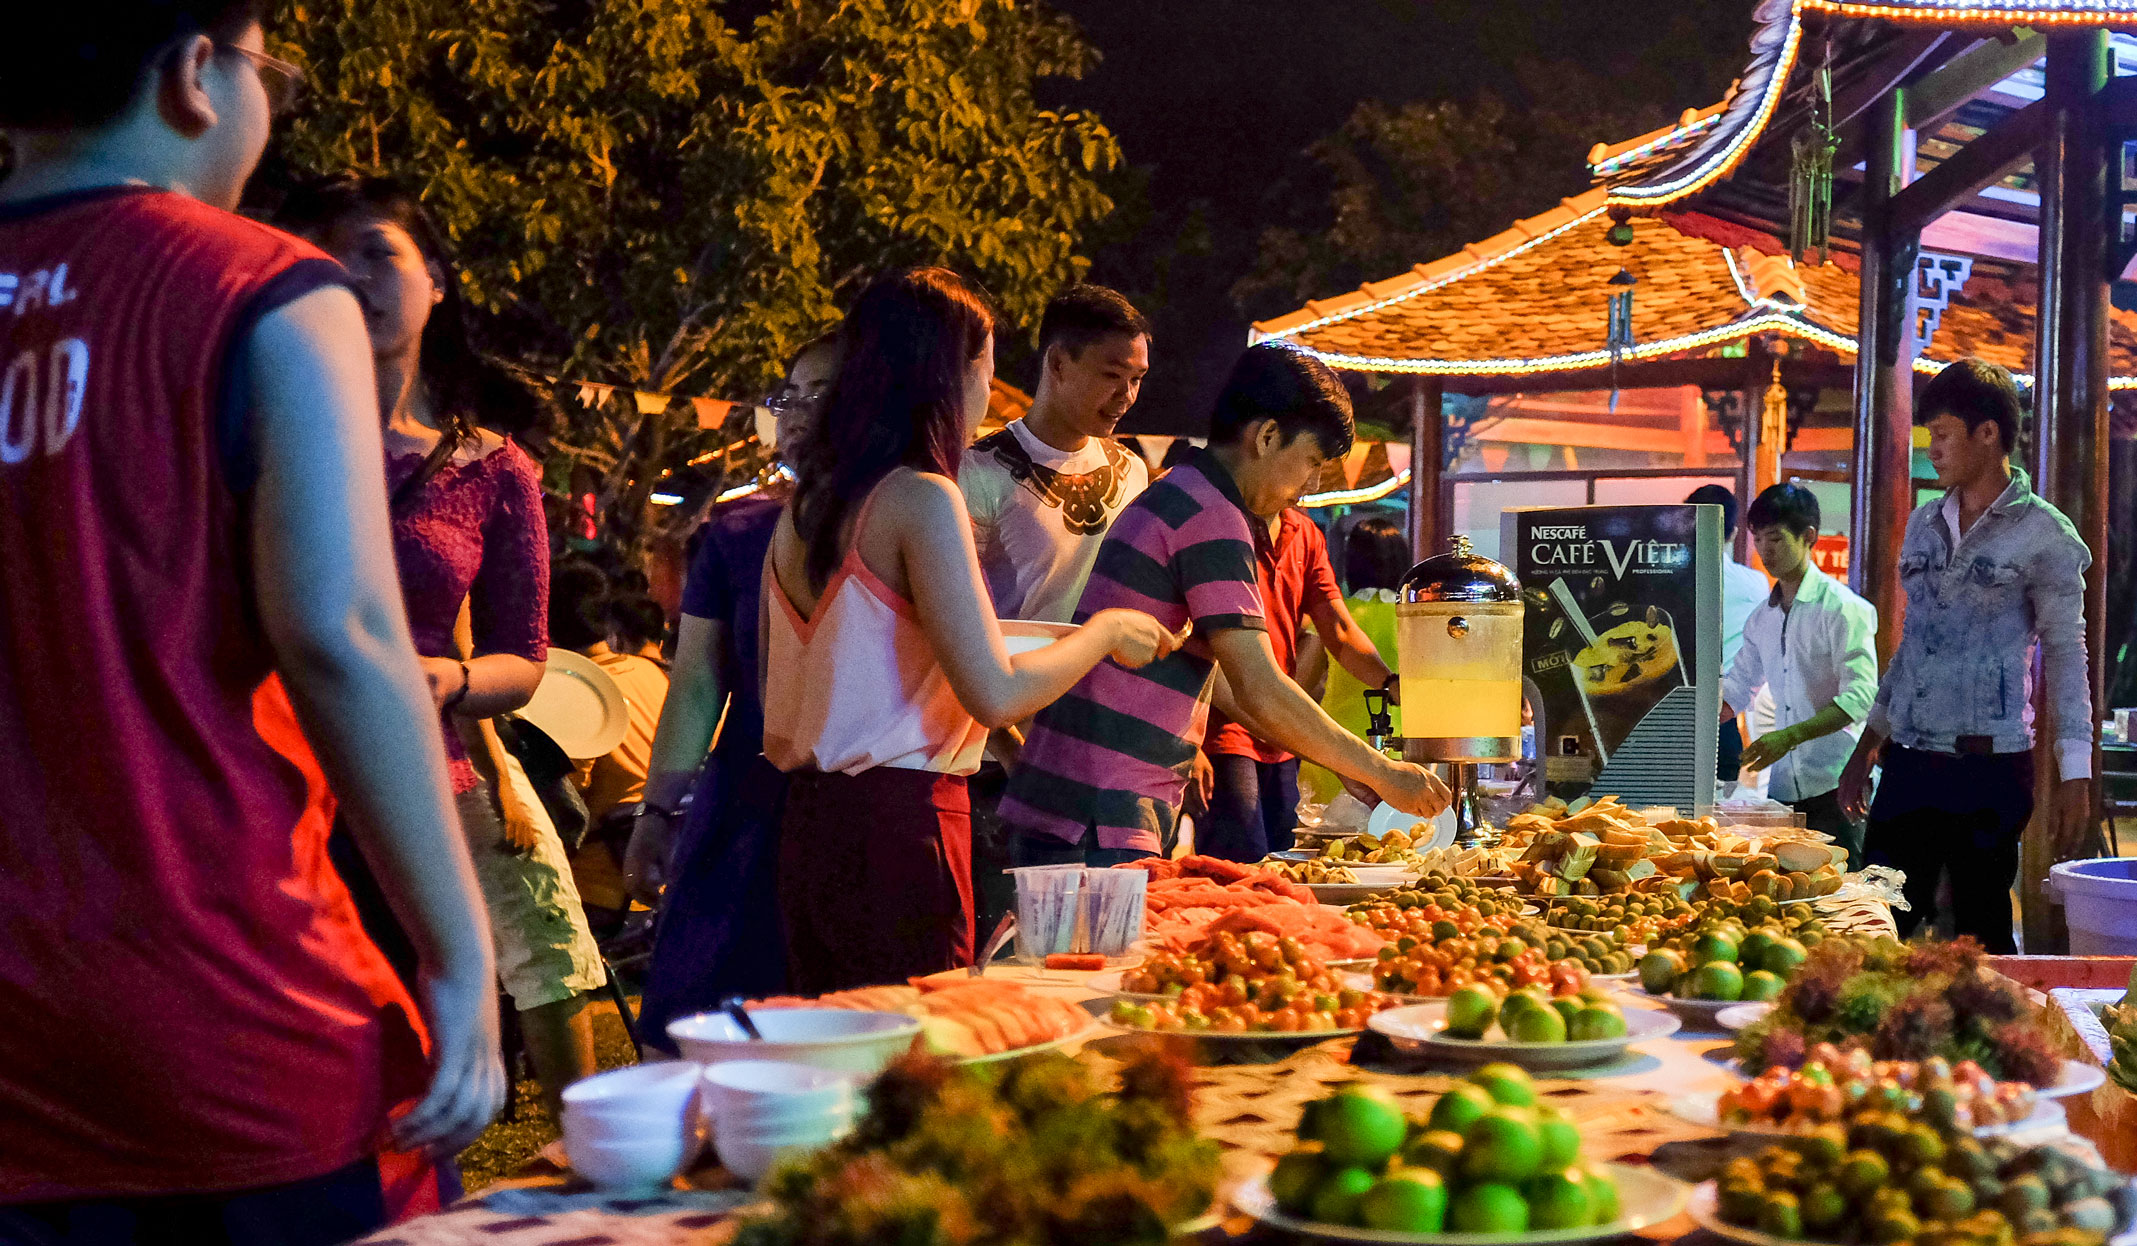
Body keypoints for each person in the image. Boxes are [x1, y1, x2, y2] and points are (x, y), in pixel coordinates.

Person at [0, 4, 501, 1238]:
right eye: (267, 66)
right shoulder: (264, 293)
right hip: (222, 1004)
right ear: (192, 76)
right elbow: (341, 636)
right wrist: (458, 947)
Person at [280, 175, 607, 1121]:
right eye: (322, 255)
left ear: (438, 281)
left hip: (428, 780)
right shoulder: (259, 435)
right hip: (276, 782)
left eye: (379, 251)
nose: (352, 274)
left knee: (445, 1045)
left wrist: (454, 679)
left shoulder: (494, 470)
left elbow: (526, 661)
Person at [763, 267, 1182, 993]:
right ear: (946, 375)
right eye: (986, 368)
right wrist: (1107, 630)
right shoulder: (923, 499)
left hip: (809, 824)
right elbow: (992, 691)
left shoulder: (808, 506)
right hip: (901, 824)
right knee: (920, 1058)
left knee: (844, 1059)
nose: (990, 392)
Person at [1000, 342, 1451, 868]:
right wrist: (1382, 770)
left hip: (1088, 803)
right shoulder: (1211, 513)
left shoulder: (1187, 493)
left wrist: (1340, 758)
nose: (1308, 488)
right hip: (1098, 808)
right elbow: (1259, 686)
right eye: (1310, 462)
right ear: (1265, 437)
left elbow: (1228, 682)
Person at [1839, 359, 2094, 952]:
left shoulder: (2046, 535)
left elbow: (2066, 654)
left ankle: (1985, 1045)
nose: (1933, 450)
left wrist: (2076, 775)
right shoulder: (1925, 523)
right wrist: (1866, 745)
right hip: (1908, 761)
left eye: (1944, 435)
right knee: (1874, 924)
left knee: (1980, 938)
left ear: (1989, 434)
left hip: (1990, 767)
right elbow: (1913, 644)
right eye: (1929, 436)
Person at [625, 336, 838, 1040]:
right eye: (789, 395)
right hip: (744, 802)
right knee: (703, 1027)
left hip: (856, 802)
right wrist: (657, 813)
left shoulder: (914, 520)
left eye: (822, 392)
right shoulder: (736, 531)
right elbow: (695, 684)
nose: (799, 412)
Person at [1198, 507, 1395, 861]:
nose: (1316, 478)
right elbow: (1252, 682)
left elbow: (1333, 638)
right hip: (1231, 730)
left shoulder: (1304, 533)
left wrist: (1387, 682)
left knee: (1285, 864)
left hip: (1291, 738)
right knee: (1246, 865)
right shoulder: (1218, 521)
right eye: (1313, 462)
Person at [960, 283, 1152, 624]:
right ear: (1058, 363)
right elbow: (956, 618)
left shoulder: (1132, 472)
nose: (1127, 395)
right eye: (1112, 375)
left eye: (1136, 379)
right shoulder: (977, 471)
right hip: (1011, 673)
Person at [1719, 484, 1879, 868]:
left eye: (1775, 538)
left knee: (1846, 898)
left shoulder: (1844, 609)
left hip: (1838, 783)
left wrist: (1789, 736)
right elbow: (1737, 687)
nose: (1764, 551)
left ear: (1809, 536)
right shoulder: (1762, 618)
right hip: (1783, 790)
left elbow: (1860, 699)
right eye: (1758, 539)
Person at [1300, 516, 1409, 804]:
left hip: (1335, 754)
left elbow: (1301, 685)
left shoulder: (1334, 617)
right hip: (1402, 755)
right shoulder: (1414, 620)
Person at [1688, 483, 1772, 785]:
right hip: (1724, 717)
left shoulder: (1668, 582)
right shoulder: (1755, 585)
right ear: (1735, 533)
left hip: (1670, 711)